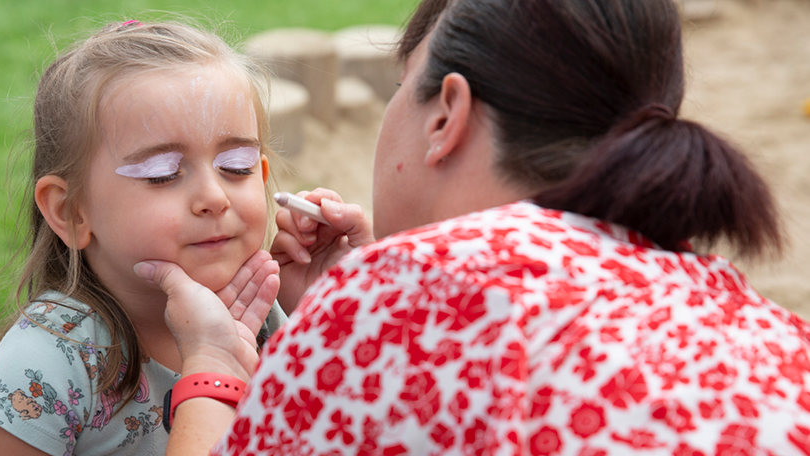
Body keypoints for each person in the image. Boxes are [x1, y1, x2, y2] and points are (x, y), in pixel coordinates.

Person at [138, 0, 810, 454]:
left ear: (446, 115)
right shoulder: (760, 324)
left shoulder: (411, 295)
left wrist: (215, 365)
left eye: (404, 85)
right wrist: (345, 332)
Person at [0, 20, 286, 456]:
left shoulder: (261, 312)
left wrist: (327, 301)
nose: (213, 197)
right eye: (162, 174)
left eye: (237, 165)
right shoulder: (48, 363)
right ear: (70, 210)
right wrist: (214, 364)